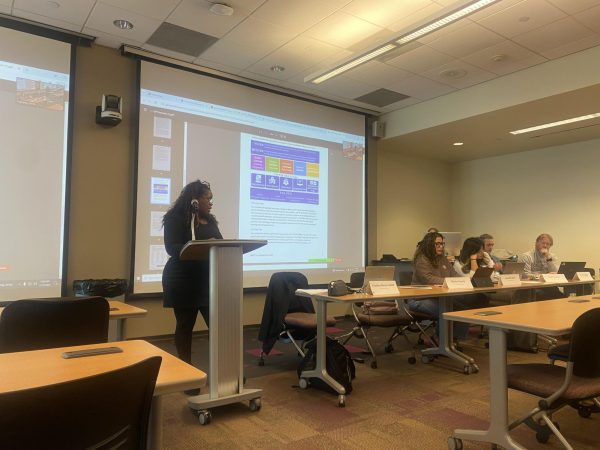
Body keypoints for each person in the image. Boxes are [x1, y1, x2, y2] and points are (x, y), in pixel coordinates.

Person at [162, 180, 223, 376]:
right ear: (195, 199)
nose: (211, 203)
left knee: (218, 325)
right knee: (185, 325)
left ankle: (226, 369)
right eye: (208, 199)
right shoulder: (175, 218)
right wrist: (202, 245)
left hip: (206, 281)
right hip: (182, 279)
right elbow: (171, 247)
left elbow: (221, 243)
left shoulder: (210, 220)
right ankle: (185, 372)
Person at [408, 232, 487, 341]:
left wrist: (464, 281)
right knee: (446, 311)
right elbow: (429, 279)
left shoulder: (443, 259)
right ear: (429, 244)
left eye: (442, 244)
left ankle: (454, 339)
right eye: (437, 244)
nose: (441, 246)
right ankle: (439, 340)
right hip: (420, 299)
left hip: (439, 297)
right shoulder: (422, 259)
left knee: (462, 310)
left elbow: (454, 275)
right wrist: (450, 281)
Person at [518, 233, 564, 300]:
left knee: (562, 298)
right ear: (536, 243)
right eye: (543, 243)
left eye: (548, 244)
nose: (545, 246)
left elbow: (555, 273)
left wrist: (548, 258)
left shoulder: (551, 256)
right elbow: (525, 275)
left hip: (548, 286)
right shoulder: (526, 256)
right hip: (531, 287)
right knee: (548, 297)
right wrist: (543, 276)